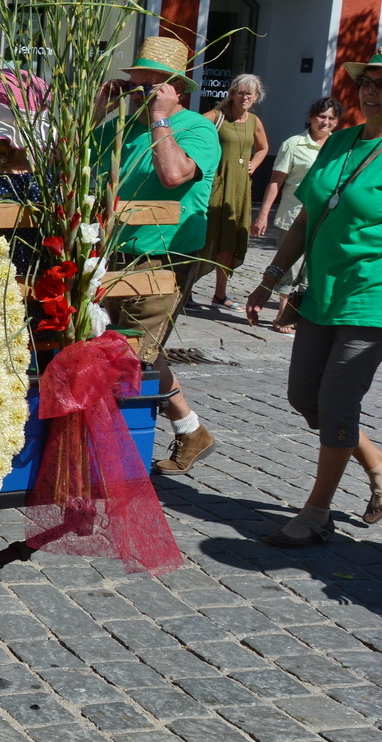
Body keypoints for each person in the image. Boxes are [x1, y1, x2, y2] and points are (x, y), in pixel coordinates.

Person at [244, 56, 382, 545]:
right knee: (305, 396)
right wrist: (271, 277)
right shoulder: (341, 141)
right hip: (320, 291)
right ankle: (380, 467)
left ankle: (317, 512)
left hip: (372, 298)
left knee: (338, 400)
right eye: (369, 82)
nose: (372, 92)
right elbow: (307, 217)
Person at [92, 35, 222, 475]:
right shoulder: (120, 127)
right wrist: (98, 110)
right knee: (130, 347)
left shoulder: (197, 129)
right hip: (114, 254)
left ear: (173, 88)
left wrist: (160, 120)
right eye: (133, 84)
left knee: (131, 354)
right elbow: (64, 161)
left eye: (148, 87)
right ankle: (190, 430)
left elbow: (173, 175)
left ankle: (114, 456)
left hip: (164, 260)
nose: (139, 95)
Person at [251, 96, 341, 331]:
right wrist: (263, 215)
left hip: (324, 220)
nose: (326, 122)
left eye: (332, 118)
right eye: (322, 116)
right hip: (292, 217)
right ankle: (282, 315)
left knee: (312, 270)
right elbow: (275, 181)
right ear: (311, 117)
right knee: (290, 269)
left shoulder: (339, 146)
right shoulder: (293, 144)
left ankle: (302, 313)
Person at [195, 73, 270, 308]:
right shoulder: (217, 117)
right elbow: (190, 130)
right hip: (217, 186)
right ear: (232, 94)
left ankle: (220, 293)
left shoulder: (254, 121)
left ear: (256, 97)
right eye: (241, 91)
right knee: (206, 239)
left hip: (240, 188)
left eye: (250, 93)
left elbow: (264, 147)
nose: (245, 96)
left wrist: (255, 163)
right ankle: (185, 290)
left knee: (229, 239)